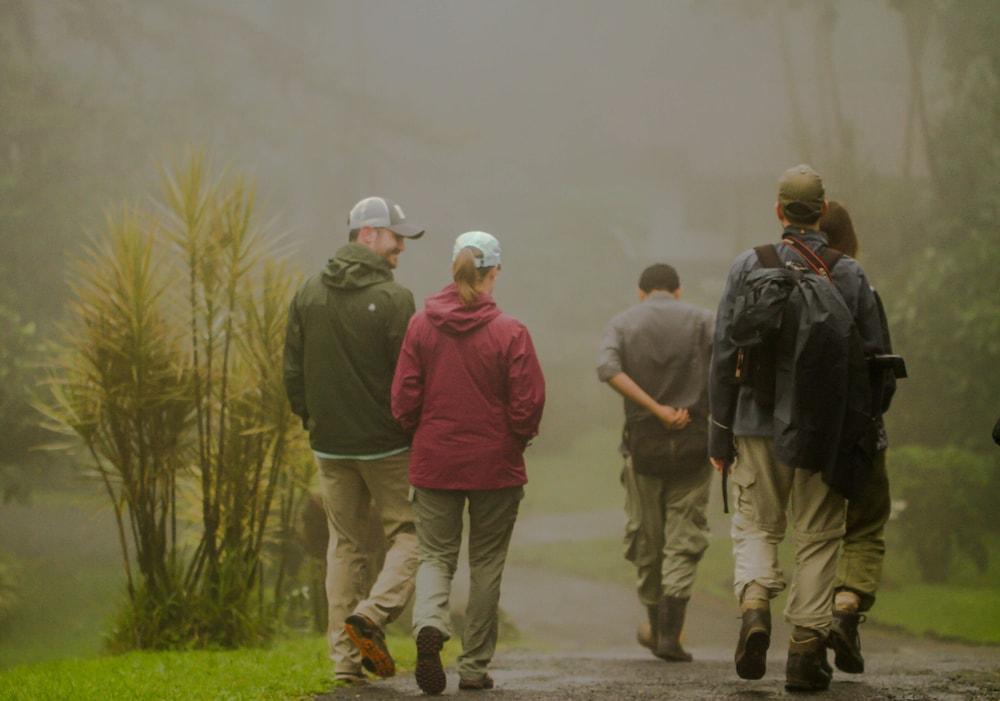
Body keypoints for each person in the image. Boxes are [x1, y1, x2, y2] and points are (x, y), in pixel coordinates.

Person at [708, 165, 886, 691]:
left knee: (758, 526)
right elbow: (874, 358)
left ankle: (756, 607)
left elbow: (723, 352)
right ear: (823, 209)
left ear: (779, 210)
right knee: (819, 536)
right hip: (822, 432)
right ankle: (806, 650)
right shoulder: (848, 273)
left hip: (754, 423)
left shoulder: (749, 264)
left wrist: (719, 434)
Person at [391, 231, 545, 695]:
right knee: (486, 563)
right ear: (493, 274)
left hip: (435, 461)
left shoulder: (421, 326)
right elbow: (528, 404)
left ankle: (428, 628)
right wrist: (514, 438)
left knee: (436, 556)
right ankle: (474, 668)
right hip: (495, 466)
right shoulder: (511, 332)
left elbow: (403, 399)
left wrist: (421, 432)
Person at [283, 196, 425, 685]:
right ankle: (372, 614)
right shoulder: (395, 300)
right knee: (412, 535)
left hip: (330, 445)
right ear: (367, 234)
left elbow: (292, 370)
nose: (400, 247)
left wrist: (312, 419)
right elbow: (410, 378)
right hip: (387, 445)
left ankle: (344, 663)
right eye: (394, 236)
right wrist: (412, 425)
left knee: (344, 546)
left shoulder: (308, 291)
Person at [596, 263, 714, 662]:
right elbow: (732, 364)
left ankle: (655, 627)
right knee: (685, 537)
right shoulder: (704, 320)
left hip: (644, 446)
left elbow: (607, 369)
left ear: (641, 292)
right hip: (695, 443)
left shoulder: (622, 323)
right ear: (678, 291)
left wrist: (656, 409)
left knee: (648, 538)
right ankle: (670, 634)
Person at [820, 201, 897, 675]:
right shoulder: (860, 285)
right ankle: (846, 607)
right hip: (863, 432)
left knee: (816, 530)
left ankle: (808, 634)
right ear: (849, 238)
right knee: (866, 525)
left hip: (804, 438)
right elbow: (883, 364)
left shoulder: (784, 284)